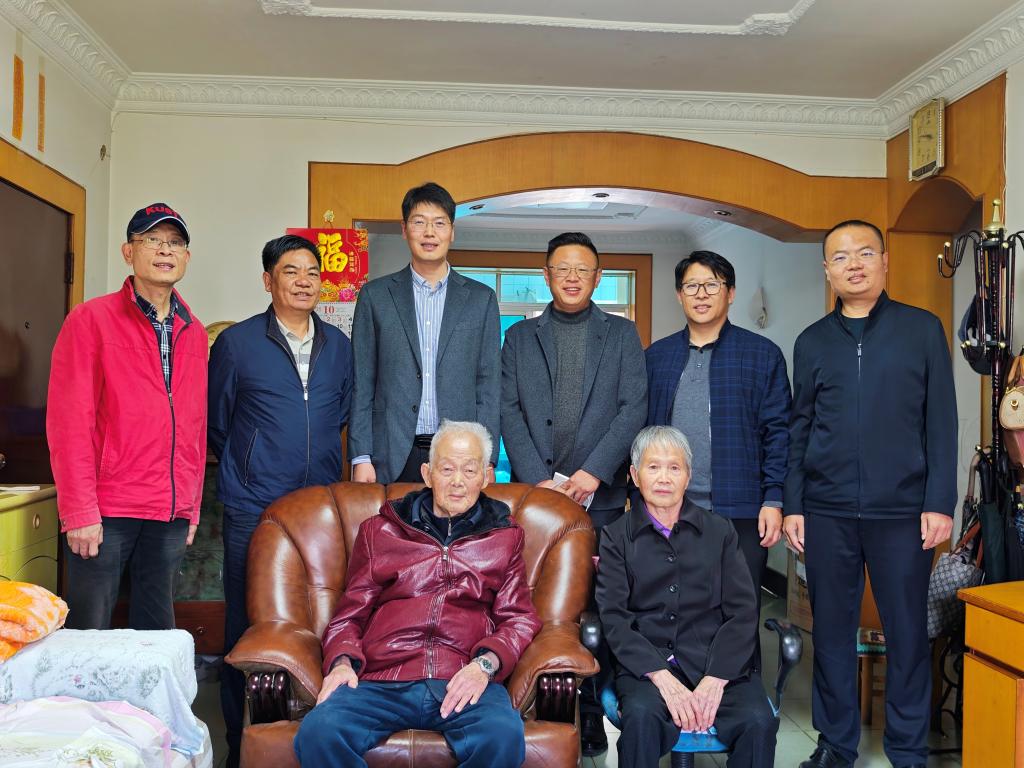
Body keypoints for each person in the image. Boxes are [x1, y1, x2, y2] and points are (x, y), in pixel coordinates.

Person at [784, 220, 957, 768]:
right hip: (826, 510)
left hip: (904, 512)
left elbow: (941, 421)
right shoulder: (812, 341)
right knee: (832, 634)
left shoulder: (921, 329)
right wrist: (793, 504)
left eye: (864, 253)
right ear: (827, 271)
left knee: (907, 634)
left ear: (884, 261)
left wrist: (940, 501)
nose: (853, 264)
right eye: (840, 257)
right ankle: (836, 745)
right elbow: (799, 428)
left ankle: (908, 750)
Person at [293, 420, 540, 768]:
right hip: (383, 677)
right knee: (318, 732)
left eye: (469, 470)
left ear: (486, 477)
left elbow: (519, 619)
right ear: (427, 473)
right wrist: (342, 662)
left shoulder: (505, 538)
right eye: (447, 469)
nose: (458, 481)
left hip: (461, 674)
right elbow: (349, 614)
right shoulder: (380, 531)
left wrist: (484, 666)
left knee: (503, 736)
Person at [208, 233, 354, 767]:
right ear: (268, 280)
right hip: (255, 505)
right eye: (291, 272)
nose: (304, 282)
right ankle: (239, 744)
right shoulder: (238, 343)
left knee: (316, 614)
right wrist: (253, 465)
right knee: (248, 623)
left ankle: (305, 730)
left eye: (312, 272)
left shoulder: (339, 346)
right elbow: (217, 424)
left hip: (317, 509)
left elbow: (340, 414)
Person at [500, 230, 647, 755]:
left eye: (582, 269)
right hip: (538, 499)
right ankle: (536, 701)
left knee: (598, 606)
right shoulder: (520, 337)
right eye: (562, 268)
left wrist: (591, 473)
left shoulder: (621, 335)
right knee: (537, 601)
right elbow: (508, 409)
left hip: (599, 499)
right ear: (546, 276)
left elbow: (633, 407)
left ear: (597, 277)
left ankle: (590, 711)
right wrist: (538, 480)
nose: (572, 277)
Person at [46, 203, 207, 631]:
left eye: (175, 242)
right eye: (152, 239)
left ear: (186, 257)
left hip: (169, 509)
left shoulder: (194, 331)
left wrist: (190, 507)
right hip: (106, 508)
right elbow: (68, 423)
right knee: (88, 632)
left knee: (156, 633)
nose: (165, 250)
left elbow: (195, 426)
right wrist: (79, 509)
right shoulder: (90, 320)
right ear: (128, 251)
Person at [597, 425, 778, 768]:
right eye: (653, 467)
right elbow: (615, 618)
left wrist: (716, 678)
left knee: (758, 722)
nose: (664, 478)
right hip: (648, 668)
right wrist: (660, 676)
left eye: (674, 467)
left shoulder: (720, 531)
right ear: (634, 475)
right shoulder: (615, 537)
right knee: (640, 718)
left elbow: (743, 612)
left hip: (716, 663)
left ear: (688, 476)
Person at [644, 250, 790, 670]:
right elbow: (643, 433)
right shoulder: (657, 357)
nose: (701, 294)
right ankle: (675, 695)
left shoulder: (761, 354)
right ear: (679, 295)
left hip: (740, 510)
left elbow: (779, 431)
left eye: (712, 285)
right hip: (671, 509)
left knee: (738, 612)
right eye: (692, 286)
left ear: (730, 293)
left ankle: (739, 696)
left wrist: (774, 498)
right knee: (671, 609)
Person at [348, 182, 501, 483]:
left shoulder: (481, 299)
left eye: (439, 223)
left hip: (459, 455)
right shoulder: (375, 296)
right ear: (404, 230)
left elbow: (489, 385)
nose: (429, 232)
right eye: (419, 222)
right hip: (391, 453)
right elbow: (362, 382)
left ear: (452, 232)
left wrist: (488, 459)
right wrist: (361, 456)